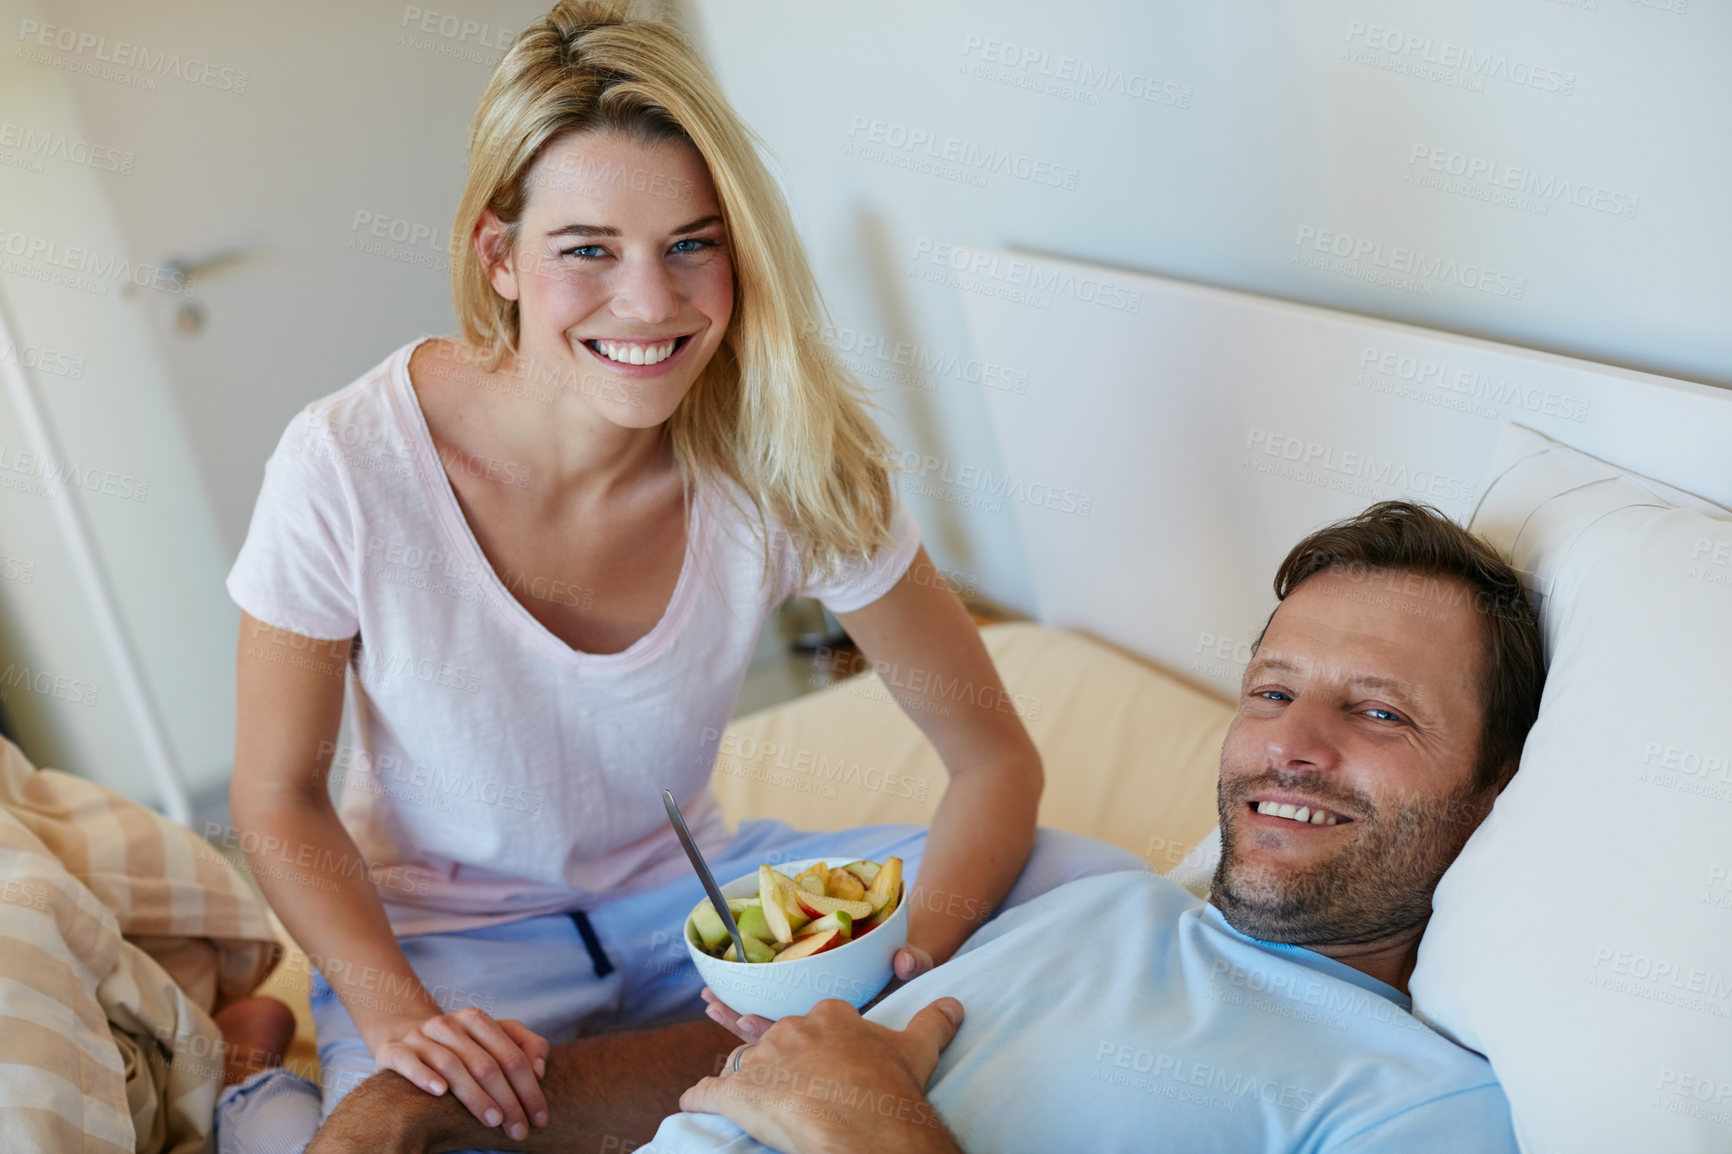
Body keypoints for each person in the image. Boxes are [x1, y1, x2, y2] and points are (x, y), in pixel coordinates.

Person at [215, 2, 1141, 1149]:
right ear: (498, 256)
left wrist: (899, 970)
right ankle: (258, 1076)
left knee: (1090, 886)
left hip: (695, 904)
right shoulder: (346, 463)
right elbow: (275, 795)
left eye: (691, 243)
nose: (649, 303)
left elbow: (993, 758)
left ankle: (615, 1079)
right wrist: (407, 1021)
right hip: (452, 942)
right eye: (588, 249)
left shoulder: (783, 456)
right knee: (372, 1136)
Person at [301, 500, 1543, 1152]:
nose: (1291, 743)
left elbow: (839, 1093)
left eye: (1377, 710)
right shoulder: (1102, 904)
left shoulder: (1410, 1104)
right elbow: (798, 1065)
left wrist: (868, 1126)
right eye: (1271, 690)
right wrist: (444, 1102)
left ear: (1495, 789)